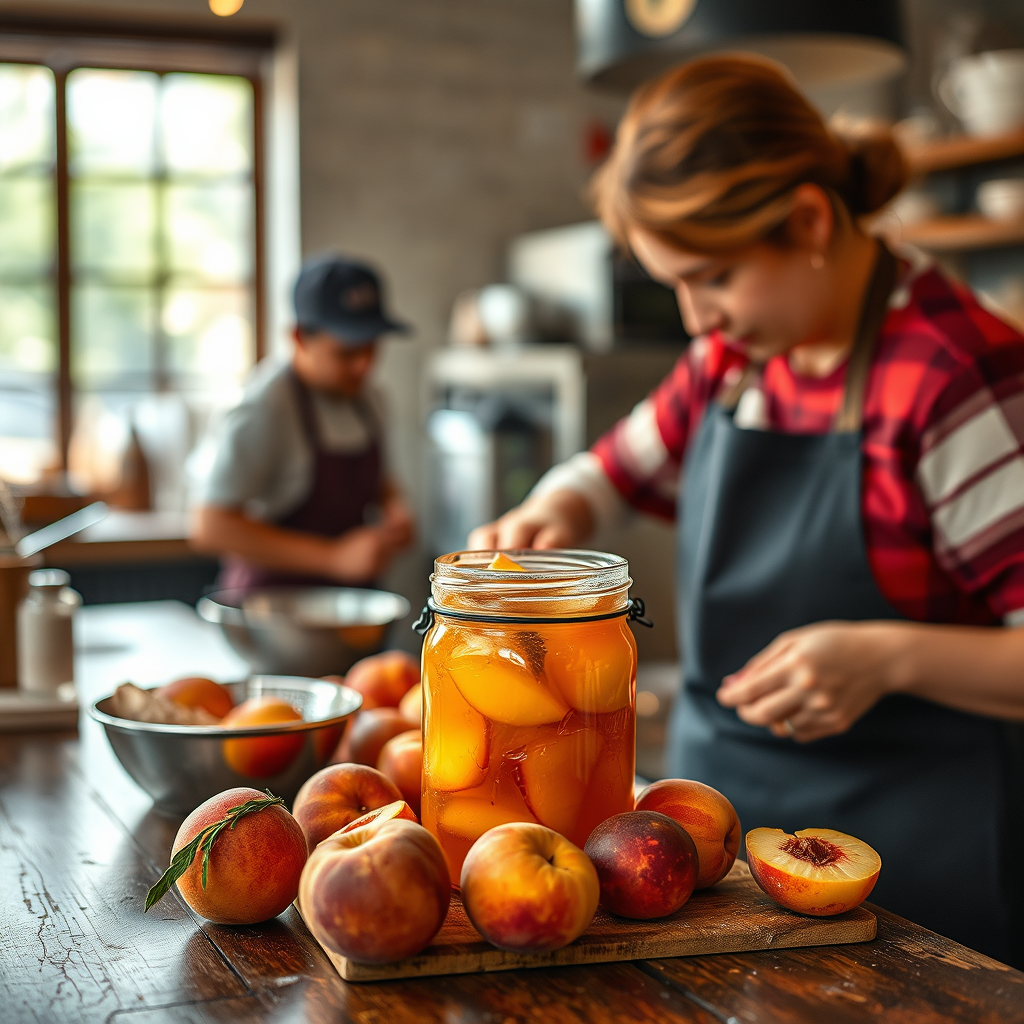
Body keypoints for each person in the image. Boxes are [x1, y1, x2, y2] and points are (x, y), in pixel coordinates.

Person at [470, 55, 1024, 967]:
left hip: (914, 895)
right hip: (708, 866)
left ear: (808, 221)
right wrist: (553, 508)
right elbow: (609, 472)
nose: (696, 319)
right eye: (674, 285)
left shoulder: (952, 379)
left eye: (714, 277)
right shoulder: (733, 362)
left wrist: (888, 656)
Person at [192, 254, 414, 589]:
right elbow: (210, 527)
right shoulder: (266, 406)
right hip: (272, 606)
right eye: (347, 353)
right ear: (299, 338)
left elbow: (382, 482)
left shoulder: (370, 399)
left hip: (349, 606)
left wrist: (394, 506)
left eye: (372, 348)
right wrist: (333, 558)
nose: (364, 366)